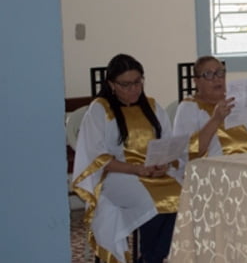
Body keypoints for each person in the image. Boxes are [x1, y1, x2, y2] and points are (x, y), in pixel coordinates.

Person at [72, 54, 183, 263]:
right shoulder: (100, 109)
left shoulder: (152, 106)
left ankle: (153, 257)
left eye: (137, 82)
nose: (133, 89)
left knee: (182, 197)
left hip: (153, 173)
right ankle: (151, 257)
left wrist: (164, 163)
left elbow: (168, 142)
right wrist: (138, 170)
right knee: (154, 203)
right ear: (111, 84)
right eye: (126, 84)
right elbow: (97, 158)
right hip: (116, 175)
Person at [173, 56, 247, 159]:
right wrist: (216, 119)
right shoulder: (188, 107)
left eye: (220, 72)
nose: (217, 79)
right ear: (196, 81)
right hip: (213, 170)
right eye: (208, 74)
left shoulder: (237, 102)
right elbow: (188, 153)